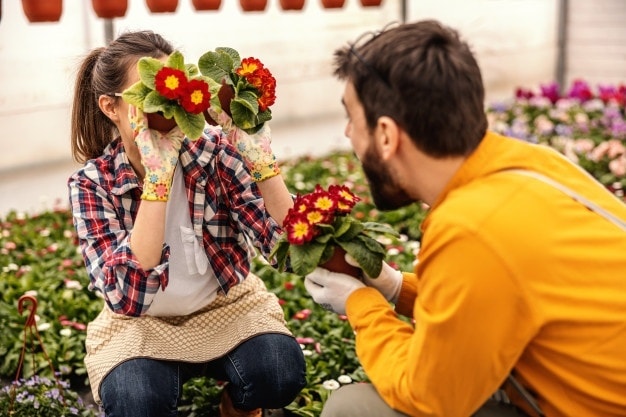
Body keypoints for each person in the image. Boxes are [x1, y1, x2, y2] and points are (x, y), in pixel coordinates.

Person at [303, 20, 626, 417]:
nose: (349, 134)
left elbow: (430, 397)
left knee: (354, 408)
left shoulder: (473, 227)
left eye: (353, 119)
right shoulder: (533, 164)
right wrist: (393, 287)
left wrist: (362, 305)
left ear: (386, 135)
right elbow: (493, 301)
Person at [68, 30, 306, 417]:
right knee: (136, 401)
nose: (168, 106)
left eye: (173, 92)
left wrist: (260, 159)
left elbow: (286, 248)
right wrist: (157, 179)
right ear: (110, 107)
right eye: (149, 95)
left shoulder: (212, 151)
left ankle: (238, 406)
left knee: (278, 372)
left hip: (225, 306)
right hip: (141, 326)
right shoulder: (92, 183)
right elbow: (128, 296)